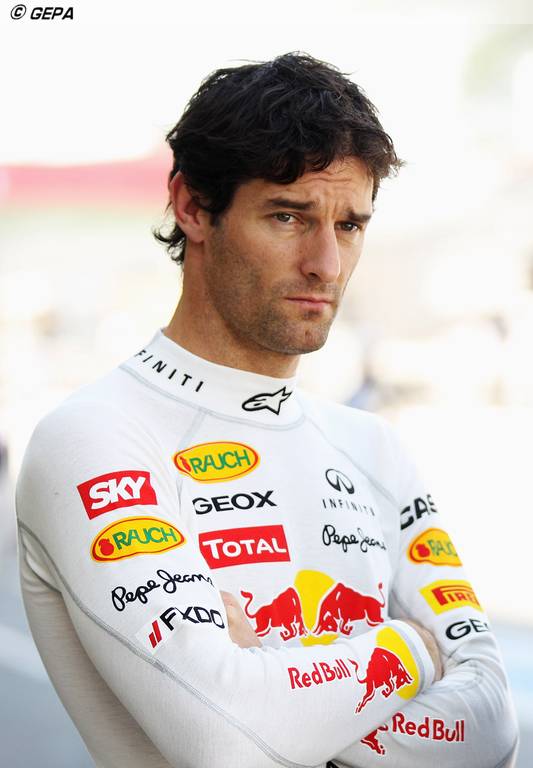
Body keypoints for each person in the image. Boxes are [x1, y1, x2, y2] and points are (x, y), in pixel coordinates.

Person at [16, 53, 518, 768]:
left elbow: (492, 730)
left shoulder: (373, 447)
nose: (327, 264)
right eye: (289, 216)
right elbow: (226, 740)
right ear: (193, 207)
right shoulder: (93, 437)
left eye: (350, 225)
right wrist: (414, 648)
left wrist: (276, 691)